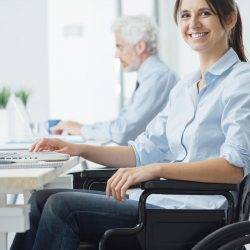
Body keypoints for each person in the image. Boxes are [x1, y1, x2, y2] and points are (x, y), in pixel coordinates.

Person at [11, 0, 250, 249]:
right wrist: (78, 148)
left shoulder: (241, 80)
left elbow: (233, 167)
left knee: (61, 207)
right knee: (39, 199)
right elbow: (140, 152)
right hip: (163, 200)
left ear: (230, 18)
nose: (193, 24)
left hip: (195, 212)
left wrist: (157, 169)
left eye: (205, 13)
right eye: (186, 15)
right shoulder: (184, 88)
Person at [51, 15, 178, 145]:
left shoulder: (158, 77)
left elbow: (123, 131)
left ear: (140, 47)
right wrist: (81, 128)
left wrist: (81, 129)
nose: (116, 55)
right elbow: (123, 124)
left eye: (120, 46)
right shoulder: (150, 76)